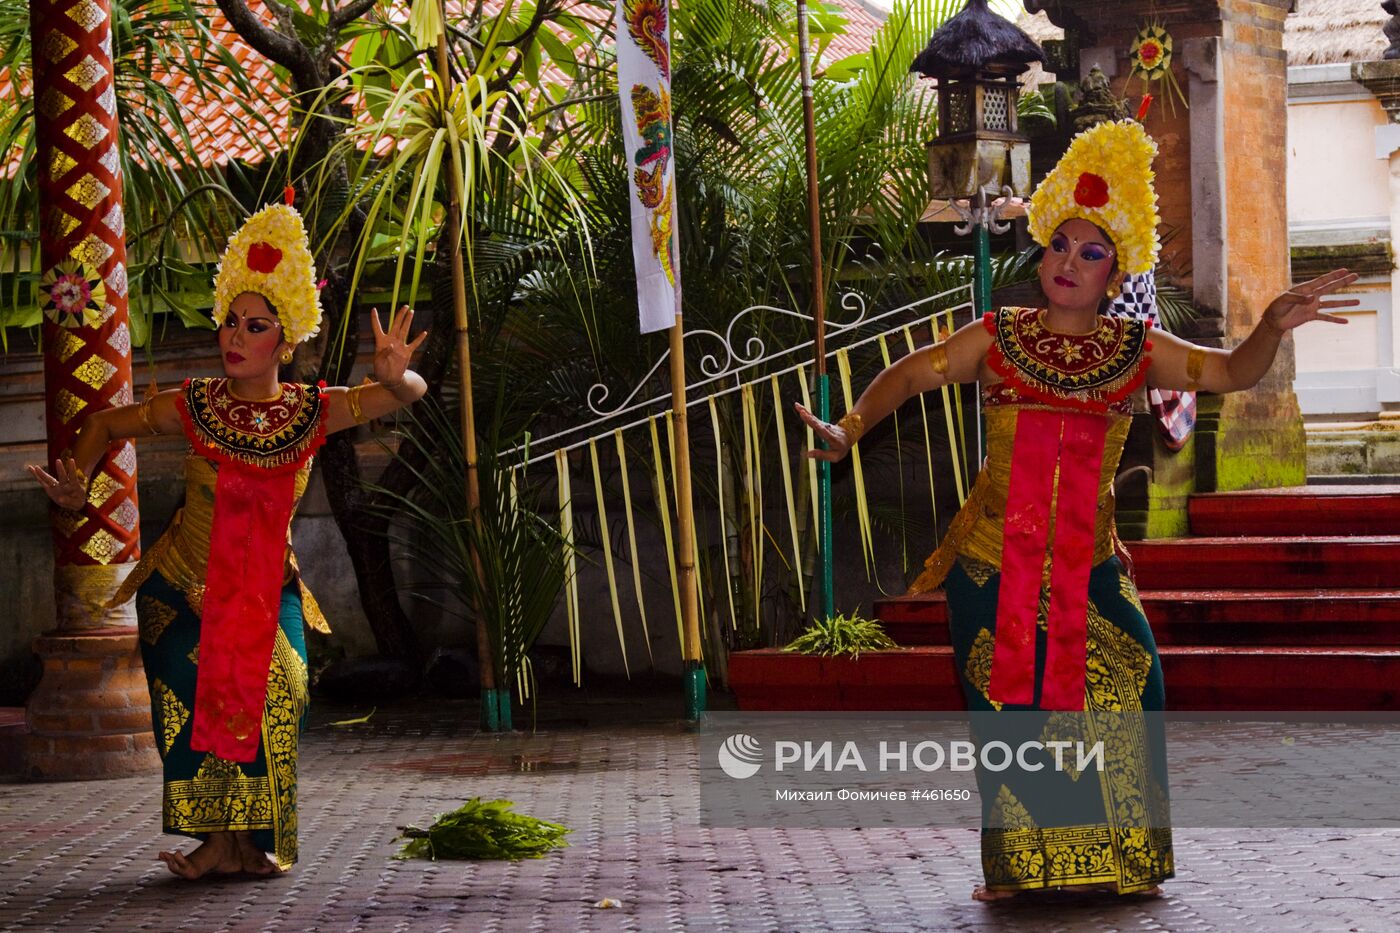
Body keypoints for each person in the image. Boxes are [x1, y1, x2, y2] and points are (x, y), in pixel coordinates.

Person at [795, 119, 1356, 900]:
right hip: (992, 562)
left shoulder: (1137, 347)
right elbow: (913, 374)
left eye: (1092, 253)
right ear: (1042, 251)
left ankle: (1122, 858)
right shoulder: (996, 336)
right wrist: (849, 427)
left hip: (1087, 565)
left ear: (1113, 271)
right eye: (1060, 244)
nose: (1069, 262)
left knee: (1135, 684)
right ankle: (1022, 867)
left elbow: (1228, 373)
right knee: (1012, 711)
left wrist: (1268, 324)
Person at [29, 196, 429, 879]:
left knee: (282, 688)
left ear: (288, 338)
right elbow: (103, 423)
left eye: (255, 325)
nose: (234, 336)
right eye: (230, 322)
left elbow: (401, 395)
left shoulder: (310, 412)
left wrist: (398, 376)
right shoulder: (194, 405)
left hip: (267, 592)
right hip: (182, 588)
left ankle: (253, 839)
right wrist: (81, 486)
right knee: (192, 691)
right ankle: (219, 842)